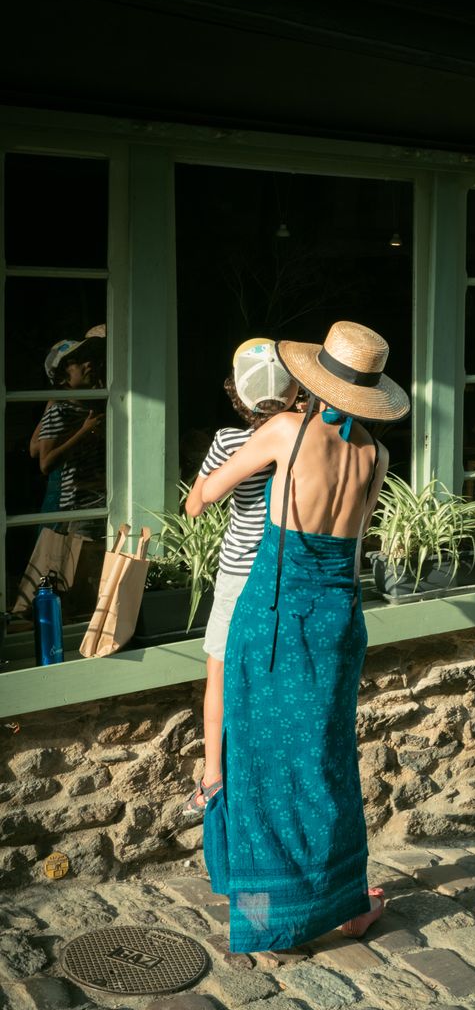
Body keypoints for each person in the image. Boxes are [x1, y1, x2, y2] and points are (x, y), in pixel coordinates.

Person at [199, 321, 409, 950]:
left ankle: (268, 916)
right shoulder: (376, 455)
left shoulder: (284, 430)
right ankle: (346, 903)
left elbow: (205, 495)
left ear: (312, 382)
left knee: (258, 762)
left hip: (274, 614)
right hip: (338, 617)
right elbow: (353, 543)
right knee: (326, 762)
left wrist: (205, 488)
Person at [181, 339, 299, 816]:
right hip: (283, 571)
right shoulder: (303, 438)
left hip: (237, 573)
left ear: (238, 394)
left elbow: (195, 505)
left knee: (219, 671)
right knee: (276, 672)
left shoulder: (230, 441)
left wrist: (205, 486)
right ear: (293, 393)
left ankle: (213, 778)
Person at [37, 331, 107, 530]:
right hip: (80, 507)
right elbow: (45, 463)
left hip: (104, 500)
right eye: (78, 362)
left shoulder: (94, 405)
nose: (88, 364)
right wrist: (84, 432)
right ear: (62, 379)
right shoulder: (60, 411)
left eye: (87, 359)